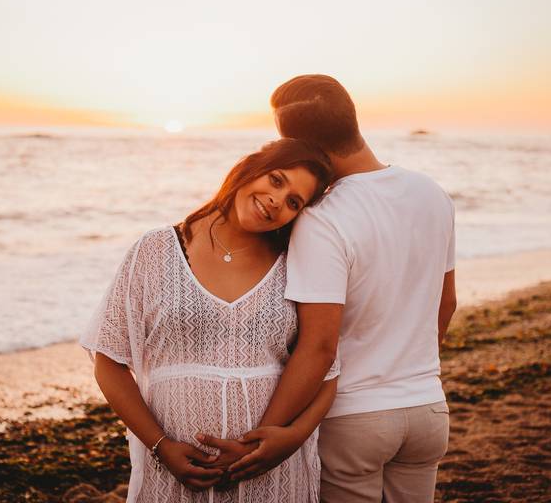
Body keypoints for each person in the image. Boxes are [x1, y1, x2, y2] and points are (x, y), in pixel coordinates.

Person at [222, 75, 457, 502]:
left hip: (355, 417)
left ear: (301, 147)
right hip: (427, 408)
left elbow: (319, 346)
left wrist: (266, 434)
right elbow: (447, 303)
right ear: (351, 117)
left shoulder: (323, 217)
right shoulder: (431, 192)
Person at [80, 137, 340, 502]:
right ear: (249, 169)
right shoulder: (155, 249)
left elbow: (326, 368)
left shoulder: (295, 263)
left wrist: (291, 439)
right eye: (277, 180)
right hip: (173, 475)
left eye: (293, 202)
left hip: (273, 475)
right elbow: (109, 360)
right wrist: (161, 445)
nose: (277, 201)